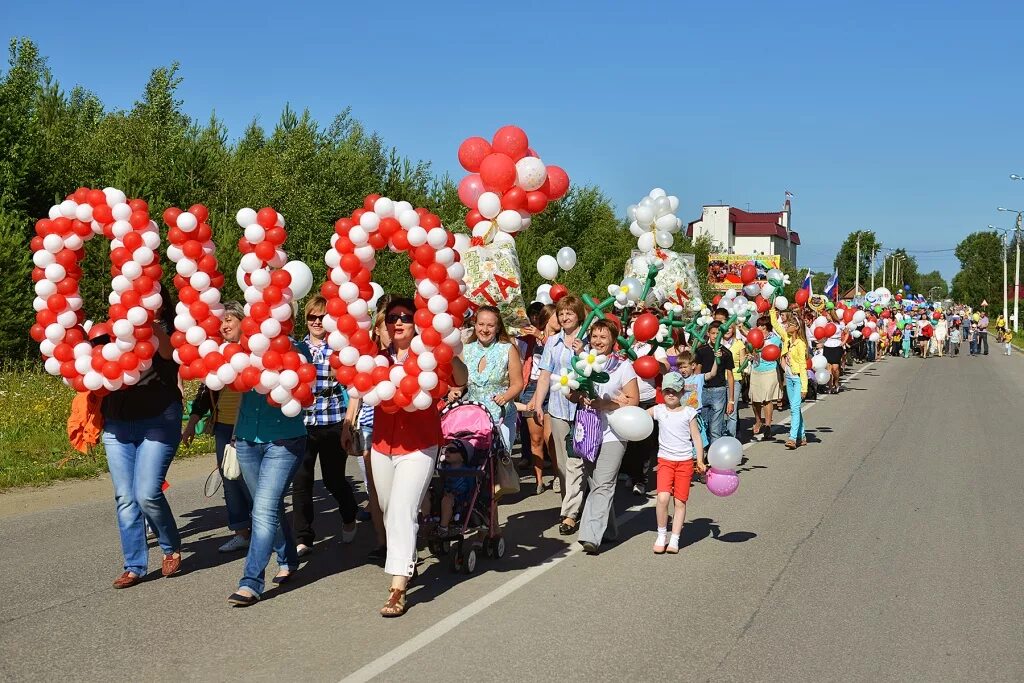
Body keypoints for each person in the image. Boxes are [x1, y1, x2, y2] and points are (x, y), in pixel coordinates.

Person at [371, 298, 468, 617]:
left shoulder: (429, 354)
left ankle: (398, 584)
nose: (397, 323)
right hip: (382, 444)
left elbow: (460, 378)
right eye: (391, 318)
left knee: (401, 509)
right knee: (388, 509)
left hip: (420, 445)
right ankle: (406, 558)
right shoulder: (375, 358)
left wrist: (449, 350)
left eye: (405, 317)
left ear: (417, 323)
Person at [101, 290, 184, 589]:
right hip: (117, 424)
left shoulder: (175, 329)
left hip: (159, 420)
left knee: (147, 493)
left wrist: (146, 322)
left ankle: (170, 546)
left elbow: (165, 353)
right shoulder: (115, 328)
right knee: (125, 497)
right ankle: (134, 565)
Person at [228, 329, 312, 607]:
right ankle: (288, 559)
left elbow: (300, 391)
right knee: (270, 508)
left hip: (284, 442)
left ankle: (250, 582)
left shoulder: (297, 350)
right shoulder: (243, 350)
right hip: (247, 440)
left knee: (262, 510)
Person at [182, 301, 252, 553]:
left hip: (251, 426)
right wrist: (191, 424)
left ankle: (265, 529)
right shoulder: (218, 353)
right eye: (221, 322)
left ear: (243, 321)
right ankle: (242, 532)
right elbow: (206, 390)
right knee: (230, 479)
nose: (224, 326)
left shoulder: (253, 351)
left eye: (229, 320)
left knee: (251, 480)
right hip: (224, 425)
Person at [292, 295, 358, 558]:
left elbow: (354, 385)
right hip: (304, 423)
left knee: (333, 479)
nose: (317, 321)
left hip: (333, 421)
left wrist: (348, 425)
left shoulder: (340, 347)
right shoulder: (297, 348)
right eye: (312, 317)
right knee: (301, 481)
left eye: (322, 317)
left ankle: (349, 513)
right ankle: (303, 536)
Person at [571, 320, 640, 555]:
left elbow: (633, 400)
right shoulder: (584, 361)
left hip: (614, 431)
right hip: (588, 429)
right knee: (594, 481)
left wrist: (606, 404)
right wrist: (575, 393)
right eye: (595, 336)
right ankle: (608, 530)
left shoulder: (623, 366)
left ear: (613, 339)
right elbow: (574, 393)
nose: (598, 341)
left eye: (604, 337)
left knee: (603, 482)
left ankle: (590, 535)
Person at [530, 294, 586, 535]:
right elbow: (544, 375)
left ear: (578, 315)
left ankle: (570, 513)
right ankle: (570, 504)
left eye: (569, 313)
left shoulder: (588, 338)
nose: (564, 317)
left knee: (577, 461)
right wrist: (538, 403)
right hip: (558, 408)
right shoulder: (552, 342)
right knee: (562, 463)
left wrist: (583, 351)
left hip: (584, 408)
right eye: (561, 313)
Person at [343, 307, 389, 564]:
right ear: (378, 330)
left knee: (394, 490)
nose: (392, 330)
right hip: (370, 428)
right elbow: (356, 393)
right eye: (386, 325)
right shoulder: (368, 358)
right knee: (375, 490)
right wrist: (348, 424)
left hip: (399, 428)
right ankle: (383, 543)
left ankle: (409, 536)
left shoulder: (406, 355)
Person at [649, 372, 706, 554]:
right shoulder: (658, 410)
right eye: (667, 391)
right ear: (662, 392)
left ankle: (675, 539)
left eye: (674, 390)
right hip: (665, 461)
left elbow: (696, 438)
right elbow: (639, 417)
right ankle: (661, 535)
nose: (670, 394)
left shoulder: (689, 412)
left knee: (680, 502)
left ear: (682, 392)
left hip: (684, 463)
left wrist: (700, 460)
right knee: (662, 498)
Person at [456, 306, 523, 455]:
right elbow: (460, 382)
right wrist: (455, 391)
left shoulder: (507, 349)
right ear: (475, 325)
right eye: (481, 324)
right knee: (476, 464)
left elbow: (518, 383)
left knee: (500, 462)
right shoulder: (465, 349)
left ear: (498, 328)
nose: (485, 329)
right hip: (474, 416)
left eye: (490, 325)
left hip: (501, 416)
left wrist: (505, 397)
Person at [517, 303, 558, 494]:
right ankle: (539, 480)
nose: (562, 319)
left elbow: (557, 355)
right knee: (536, 439)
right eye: (557, 315)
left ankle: (559, 475)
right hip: (531, 387)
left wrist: (541, 336)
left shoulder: (559, 339)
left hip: (553, 389)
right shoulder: (529, 339)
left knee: (551, 439)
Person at [771, 308, 808, 450]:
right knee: (795, 408)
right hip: (789, 378)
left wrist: (804, 388)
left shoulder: (800, 344)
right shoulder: (786, 339)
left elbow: (803, 367)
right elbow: (775, 325)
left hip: (798, 379)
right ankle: (802, 436)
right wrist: (772, 309)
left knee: (794, 408)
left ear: (797, 327)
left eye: (790, 324)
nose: (786, 326)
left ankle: (792, 438)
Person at [695, 321, 734, 443]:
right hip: (704, 391)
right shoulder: (701, 350)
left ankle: (714, 456)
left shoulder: (726, 353)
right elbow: (697, 371)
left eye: (718, 333)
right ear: (708, 333)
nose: (715, 336)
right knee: (703, 424)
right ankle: (704, 453)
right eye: (713, 333)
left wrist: (731, 400)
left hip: (719, 391)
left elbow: (730, 376)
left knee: (715, 428)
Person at [748, 315, 783, 442]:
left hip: (769, 370)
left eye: (763, 326)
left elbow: (775, 352)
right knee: (755, 400)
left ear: (768, 327)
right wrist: (750, 354)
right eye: (759, 325)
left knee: (767, 399)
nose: (760, 328)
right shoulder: (753, 336)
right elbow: (751, 350)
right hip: (756, 369)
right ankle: (758, 421)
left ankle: (768, 425)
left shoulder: (775, 340)